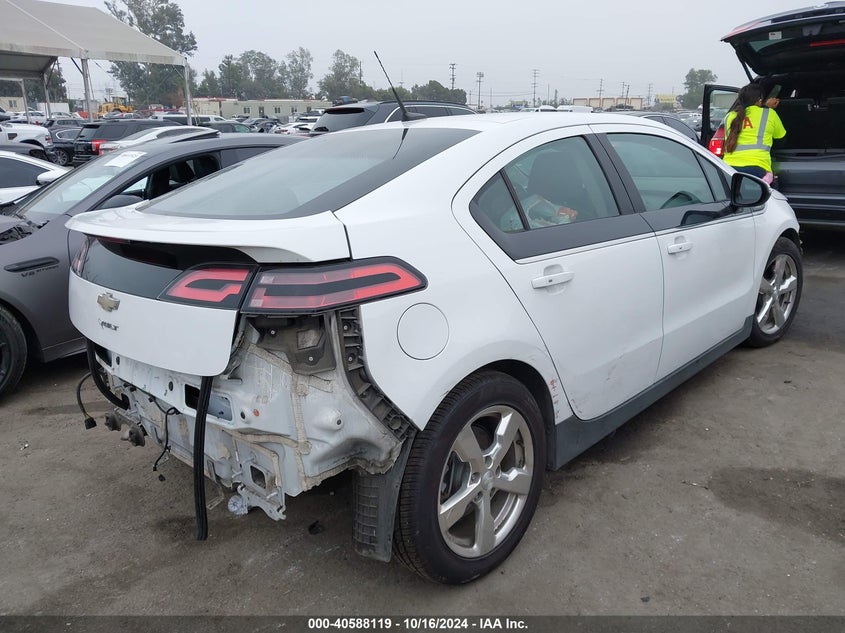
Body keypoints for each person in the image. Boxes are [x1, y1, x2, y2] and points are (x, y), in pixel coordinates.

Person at [723, 83, 786, 184]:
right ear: (760, 99)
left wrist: (765, 106)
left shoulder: (729, 117)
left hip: (728, 169)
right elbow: (781, 139)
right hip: (757, 168)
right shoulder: (769, 113)